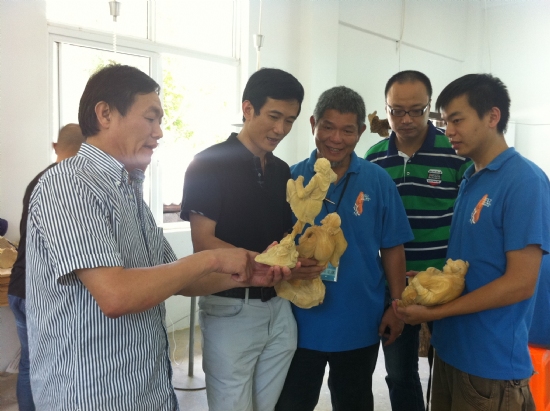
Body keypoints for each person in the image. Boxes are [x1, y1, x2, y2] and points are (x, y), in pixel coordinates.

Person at [25, 64, 289, 411]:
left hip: (146, 389)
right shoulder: (70, 185)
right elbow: (115, 295)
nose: (159, 132)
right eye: (150, 119)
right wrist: (211, 257)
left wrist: (251, 273)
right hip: (92, 395)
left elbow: (180, 279)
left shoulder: (129, 191)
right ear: (105, 114)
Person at [395, 73, 550, 411]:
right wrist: (433, 284)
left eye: (457, 120)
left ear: (492, 116)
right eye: (445, 122)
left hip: (491, 363)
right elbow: (472, 267)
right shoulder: (470, 178)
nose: (448, 130)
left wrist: (436, 311)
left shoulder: (525, 181)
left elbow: (521, 283)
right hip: (450, 351)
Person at [180, 68, 323, 411]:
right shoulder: (207, 163)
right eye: (274, 116)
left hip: (279, 305)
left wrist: (297, 261)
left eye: (290, 120)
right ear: (248, 109)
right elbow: (204, 242)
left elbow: (281, 240)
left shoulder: (282, 171)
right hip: (230, 307)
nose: (281, 129)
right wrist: (264, 263)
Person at [275, 86, 414, 411]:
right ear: (313, 124)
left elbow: (393, 248)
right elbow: (276, 246)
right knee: (292, 403)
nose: (336, 139)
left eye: (347, 130)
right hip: (298, 322)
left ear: (361, 132)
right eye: (327, 127)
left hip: (359, 322)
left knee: (354, 402)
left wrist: (397, 306)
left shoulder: (378, 181)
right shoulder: (292, 179)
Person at [365, 70, 470, 411]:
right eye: (397, 111)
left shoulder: (455, 153)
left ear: (430, 107)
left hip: (447, 284)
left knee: (451, 369)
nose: (406, 119)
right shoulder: (374, 159)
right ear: (386, 109)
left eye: (416, 110)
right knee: (399, 373)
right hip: (394, 285)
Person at [8, 123, 85, 411]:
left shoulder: (37, 181)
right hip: (40, 293)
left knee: (30, 364)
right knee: (54, 367)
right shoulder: (67, 183)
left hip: (18, 287)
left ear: (55, 147)